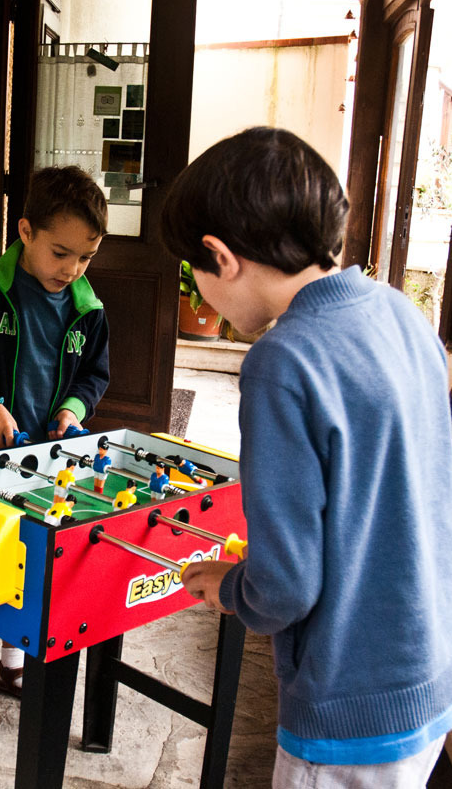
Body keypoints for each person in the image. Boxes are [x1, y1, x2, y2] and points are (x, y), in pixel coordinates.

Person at [162, 126, 452, 787]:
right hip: (429, 673)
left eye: (194, 273)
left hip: (349, 706)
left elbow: (286, 587)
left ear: (219, 255)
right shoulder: (402, 314)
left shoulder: (281, 362)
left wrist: (233, 586)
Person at [0, 164, 110, 731]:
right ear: (26, 231)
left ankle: (12, 662)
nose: (72, 269)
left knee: (25, 565)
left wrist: (71, 412)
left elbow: (94, 377)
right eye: (61, 253)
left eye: (85, 256)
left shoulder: (89, 307)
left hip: (42, 463)